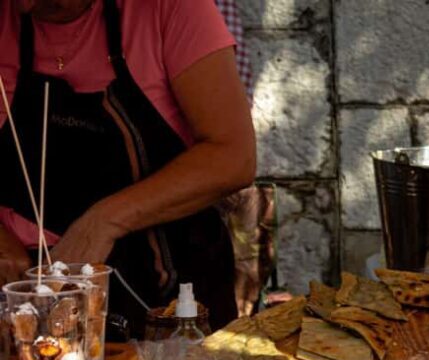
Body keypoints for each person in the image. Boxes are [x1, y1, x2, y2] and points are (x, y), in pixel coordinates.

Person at [0, 0, 256, 334]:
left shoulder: (170, 7)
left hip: (166, 299)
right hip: (19, 302)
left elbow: (233, 157)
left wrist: (101, 224)